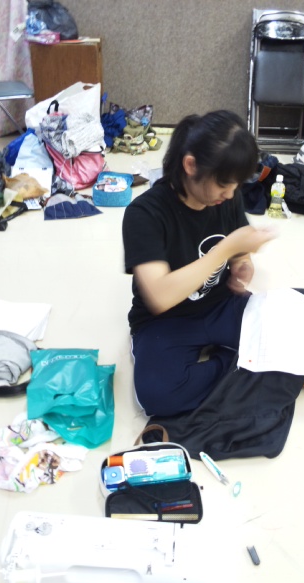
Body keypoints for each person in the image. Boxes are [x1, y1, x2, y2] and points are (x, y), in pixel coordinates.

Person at [122, 110, 275, 417]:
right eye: (223, 184)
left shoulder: (226, 197)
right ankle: (237, 363)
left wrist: (242, 265)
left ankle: (238, 365)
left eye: (235, 185)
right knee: (159, 396)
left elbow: (239, 254)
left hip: (220, 304)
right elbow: (160, 296)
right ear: (190, 165)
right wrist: (227, 248)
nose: (230, 194)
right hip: (166, 322)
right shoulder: (145, 213)